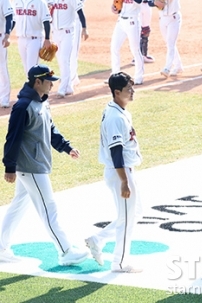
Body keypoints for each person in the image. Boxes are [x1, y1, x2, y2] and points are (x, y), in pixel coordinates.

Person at [0, 64, 89, 265]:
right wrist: (9, 167)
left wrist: (67, 147)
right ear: (37, 82)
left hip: (35, 165)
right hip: (30, 167)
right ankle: (66, 251)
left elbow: (50, 129)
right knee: (49, 208)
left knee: (18, 206)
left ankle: (0, 248)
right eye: (49, 81)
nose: (52, 84)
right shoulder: (22, 107)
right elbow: (12, 138)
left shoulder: (42, 102)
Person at [85, 72, 143, 273]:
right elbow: (116, 150)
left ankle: (98, 239)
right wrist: (124, 181)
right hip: (120, 172)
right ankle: (120, 262)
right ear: (117, 92)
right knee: (127, 219)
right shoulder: (114, 117)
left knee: (134, 213)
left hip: (123, 171)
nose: (132, 91)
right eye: (128, 89)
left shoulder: (117, 110)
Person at [45, 0, 89, 98]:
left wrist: (85, 28)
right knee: (60, 60)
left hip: (68, 32)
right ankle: (69, 86)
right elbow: (46, 16)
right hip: (55, 33)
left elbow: (80, 11)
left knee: (64, 59)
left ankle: (62, 88)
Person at [110, 0, 145, 85]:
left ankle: (139, 76)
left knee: (135, 50)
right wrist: (114, 8)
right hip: (121, 21)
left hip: (132, 22)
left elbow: (139, 0)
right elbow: (116, 2)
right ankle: (115, 75)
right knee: (114, 48)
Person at [55, 0, 88, 88]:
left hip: (75, 22)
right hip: (61, 23)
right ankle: (68, 77)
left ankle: (72, 79)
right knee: (61, 53)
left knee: (73, 52)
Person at [148, 0, 183, 78]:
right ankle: (178, 66)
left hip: (174, 18)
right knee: (169, 44)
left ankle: (167, 68)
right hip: (162, 19)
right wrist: (155, 3)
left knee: (171, 43)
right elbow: (149, 1)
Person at [12, 0, 52, 73]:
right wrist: (7, 33)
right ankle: (33, 87)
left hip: (34, 40)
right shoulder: (16, 0)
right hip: (21, 39)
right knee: (26, 69)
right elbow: (13, 20)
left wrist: (47, 39)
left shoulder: (40, 2)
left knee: (32, 68)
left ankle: (35, 87)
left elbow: (46, 21)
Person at [0, 0, 14, 108]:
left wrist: (7, 35)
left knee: (1, 67)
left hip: (0, 37)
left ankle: (4, 98)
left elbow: (10, 18)